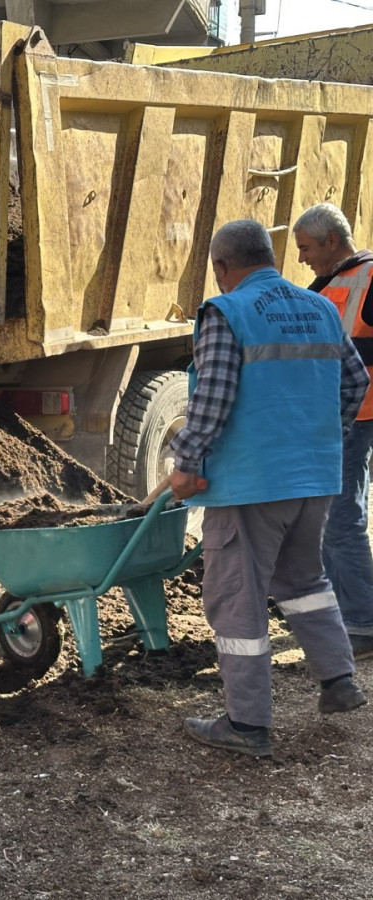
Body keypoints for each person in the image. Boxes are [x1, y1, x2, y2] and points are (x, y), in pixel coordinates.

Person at [170, 219, 369, 758]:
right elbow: (355, 383)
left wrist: (185, 460)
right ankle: (338, 682)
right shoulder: (321, 306)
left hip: (251, 483)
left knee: (237, 596)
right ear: (271, 258)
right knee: (304, 579)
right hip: (315, 476)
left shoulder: (227, 311)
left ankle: (247, 723)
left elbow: (211, 397)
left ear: (222, 267)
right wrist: (320, 435)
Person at [293, 203, 373, 660]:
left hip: (356, 413)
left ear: (330, 241)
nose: (302, 257)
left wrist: (338, 347)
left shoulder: (366, 275)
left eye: (305, 248)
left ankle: (362, 621)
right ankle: (349, 612)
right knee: (332, 518)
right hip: (340, 413)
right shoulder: (330, 282)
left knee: (340, 520)